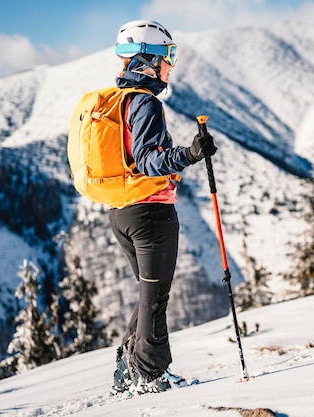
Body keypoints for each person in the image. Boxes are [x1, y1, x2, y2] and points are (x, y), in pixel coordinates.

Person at [109, 19, 217, 395]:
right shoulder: (144, 102)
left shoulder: (119, 101)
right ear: (148, 59)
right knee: (155, 298)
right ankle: (151, 376)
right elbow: (148, 160)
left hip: (122, 212)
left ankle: (129, 369)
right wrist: (189, 153)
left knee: (147, 294)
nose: (171, 64)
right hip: (151, 215)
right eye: (168, 55)